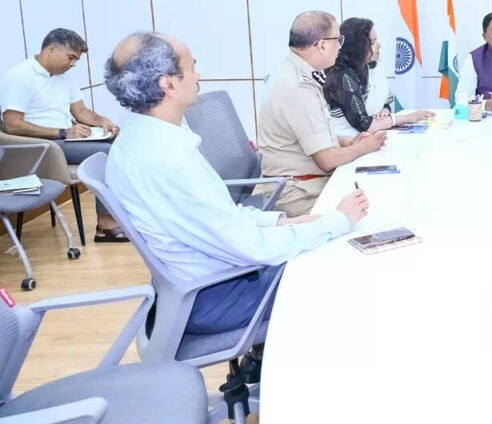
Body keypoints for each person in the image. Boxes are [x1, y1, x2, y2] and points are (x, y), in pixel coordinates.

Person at [105, 32, 368, 335]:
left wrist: (282, 221)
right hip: (218, 296)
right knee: (348, 271)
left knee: (326, 242)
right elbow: (253, 248)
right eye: (192, 67)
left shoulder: (135, 140)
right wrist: (337, 221)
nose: (198, 76)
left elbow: (220, 217)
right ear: (169, 84)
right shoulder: (168, 160)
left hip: (200, 284)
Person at [0, 28, 125, 242]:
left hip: (65, 140)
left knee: (122, 143)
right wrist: (62, 132)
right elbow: (12, 125)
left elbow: (81, 112)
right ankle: (105, 224)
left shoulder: (63, 77)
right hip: (42, 147)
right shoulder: (20, 77)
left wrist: (102, 121)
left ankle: (124, 213)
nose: (73, 64)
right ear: (51, 49)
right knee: (106, 153)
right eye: (71, 57)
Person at [258, 11, 386, 217]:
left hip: (310, 183)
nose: (341, 46)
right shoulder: (298, 88)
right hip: (300, 196)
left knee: (378, 196)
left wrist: (347, 143)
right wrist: (364, 147)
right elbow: (326, 160)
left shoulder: (298, 73)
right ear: (322, 45)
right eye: (338, 39)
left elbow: (310, 137)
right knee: (375, 214)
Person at [322, 17, 433, 137]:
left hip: (369, 137)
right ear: (357, 47)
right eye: (372, 43)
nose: (379, 45)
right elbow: (364, 125)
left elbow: (383, 100)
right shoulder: (341, 75)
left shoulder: (369, 66)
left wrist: (384, 110)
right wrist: (408, 118)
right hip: (346, 141)